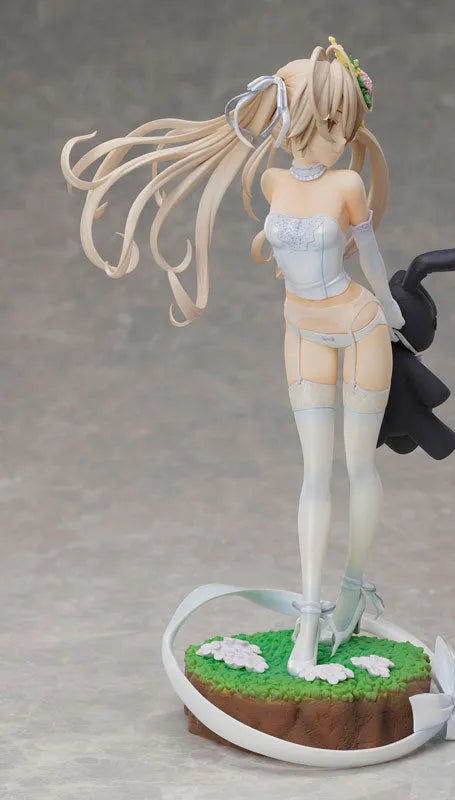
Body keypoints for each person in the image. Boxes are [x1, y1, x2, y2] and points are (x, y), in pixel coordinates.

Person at [61, 36, 405, 680]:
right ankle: (309, 616)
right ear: (294, 116)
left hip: (359, 326)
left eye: (346, 124)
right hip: (301, 333)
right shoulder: (273, 181)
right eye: (329, 121)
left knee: (358, 465)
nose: (340, 137)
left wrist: (394, 313)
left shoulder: (348, 183)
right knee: (314, 473)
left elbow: (372, 259)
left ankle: (352, 590)